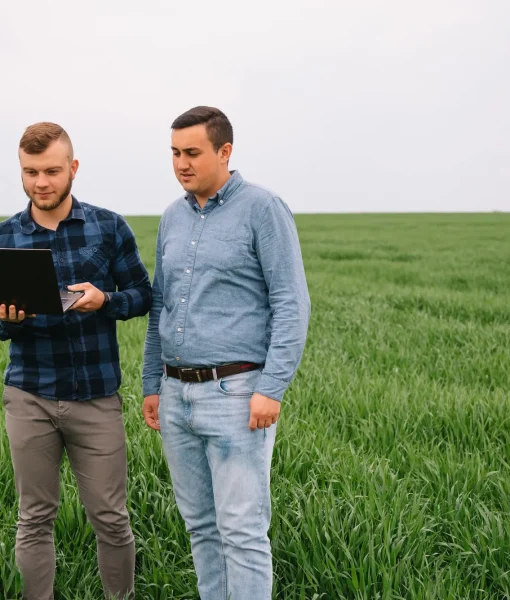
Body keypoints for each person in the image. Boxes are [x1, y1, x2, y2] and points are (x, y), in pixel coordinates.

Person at [142, 106, 310, 599]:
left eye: (192, 153)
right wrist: (153, 383)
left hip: (236, 394)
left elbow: (292, 303)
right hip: (176, 396)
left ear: (225, 151)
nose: (181, 163)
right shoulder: (172, 216)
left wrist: (271, 388)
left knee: (242, 532)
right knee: (201, 527)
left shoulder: (263, 208)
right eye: (174, 153)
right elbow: (161, 305)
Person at [0, 122, 152, 599]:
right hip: (29, 394)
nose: (40, 182)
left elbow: (143, 295)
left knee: (111, 517)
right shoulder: (5, 237)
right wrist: (10, 319)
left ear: (73, 168)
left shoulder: (108, 227)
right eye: (30, 172)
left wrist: (105, 299)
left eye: (51, 171)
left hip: (94, 395)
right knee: (33, 517)